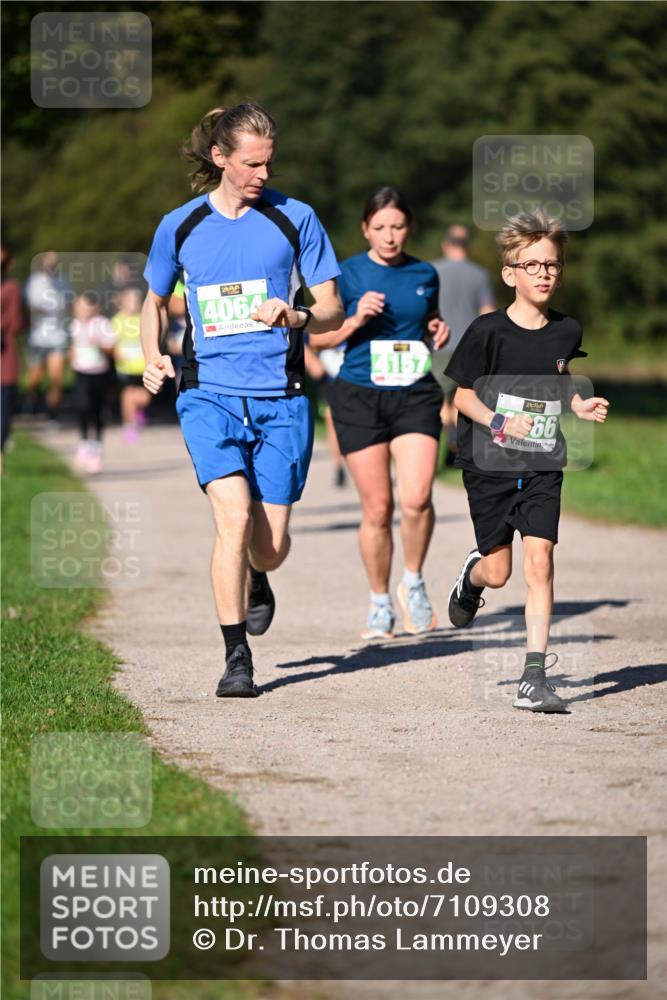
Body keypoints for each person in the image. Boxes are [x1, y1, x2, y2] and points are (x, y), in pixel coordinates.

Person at [141, 102, 342, 698]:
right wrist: (152, 354)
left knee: (270, 546)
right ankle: (236, 658)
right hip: (209, 395)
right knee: (230, 518)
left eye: (269, 164)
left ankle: (259, 576)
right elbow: (152, 302)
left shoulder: (295, 219)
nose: (262, 175)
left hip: (281, 398)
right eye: (251, 163)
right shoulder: (179, 225)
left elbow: (332, 307)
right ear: (219, 157)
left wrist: (297, 312)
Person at [445, 210, 609, 713]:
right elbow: (462, 399)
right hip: (488, 462)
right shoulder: (487, 331)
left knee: (540, 562)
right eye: (532, 264)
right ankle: (471, 576)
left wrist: (577, 405)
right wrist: (498, 422)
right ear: (509, 272)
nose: (543, 274)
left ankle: (533, 676)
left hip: (541, 462)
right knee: (500, 572)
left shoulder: (566, 330)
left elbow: (555, 382)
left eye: (553, 265)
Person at [316, 187, 450, 639]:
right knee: (378, 508)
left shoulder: (425, 272)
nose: (389, 236)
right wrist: (355, 320)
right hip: (360, 396)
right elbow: (316, 339)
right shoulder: (347, 274)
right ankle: (378, 603)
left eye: (397, 227)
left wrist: (438, 329)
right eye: (380, 228)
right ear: (365, 229)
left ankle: (412, 581)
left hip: (414, 394)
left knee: (416, 498)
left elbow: (428, 322)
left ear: (408, 227)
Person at [431, 225, 496, 465]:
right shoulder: (479, 275)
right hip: (470, 348)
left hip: (440, 346)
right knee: (464, 398)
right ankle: (455, 441)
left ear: (445, 244)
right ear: (467, 245)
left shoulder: (433, 271)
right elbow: (488, 313)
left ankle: (438, 446)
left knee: (440, 400)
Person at [70, 291, 117, 474]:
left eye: (86, 308)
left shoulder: (103, 325)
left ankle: (96, 448)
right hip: (81, 372)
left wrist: (100, 344)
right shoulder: (73, 325)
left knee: (97, 410)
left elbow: (112, 349)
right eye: (80, 307)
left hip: (99, 373)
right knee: (82, 407)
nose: (83, 311)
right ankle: (83, 442)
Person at [24, 251, 71, 422]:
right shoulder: (34, 282)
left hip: (57, 337)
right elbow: (31, 307)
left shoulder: (64, 283)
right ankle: (31, 401)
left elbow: (68, 305)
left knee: (56, 377)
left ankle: (52, 413)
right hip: (38, 337)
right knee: (35, 378)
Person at [303, 339, 347, 488]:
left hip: (354, 373)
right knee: (332, 419)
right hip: (328, 377)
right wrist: (311, 362)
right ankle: (338, 466)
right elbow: (302, 337)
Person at [112, 286, 151, 441]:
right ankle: (129, 425)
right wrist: (117, 354)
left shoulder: (143, 318)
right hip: (126, 367)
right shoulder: (117, 320)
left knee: (144, 397)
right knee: (128, 395)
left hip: (143, 366)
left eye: (136, 301)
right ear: (122, 303)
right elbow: (112, 343)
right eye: (129, 301)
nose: (133, 304)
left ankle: (137, 411)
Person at [1, 243, 25, 467]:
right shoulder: (11, 288)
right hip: (5, 355)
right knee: (4, 407)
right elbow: (16, 324)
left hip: (5, 353)